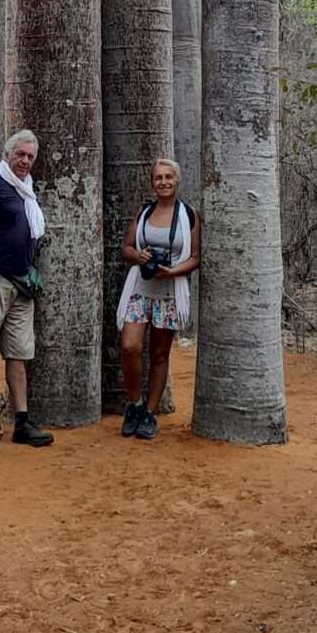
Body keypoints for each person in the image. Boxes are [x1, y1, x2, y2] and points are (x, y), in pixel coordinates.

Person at [116, 158, 201, 440]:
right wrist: (138, 256)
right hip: (140, 288)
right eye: (158, 178)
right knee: (130, 346)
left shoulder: (189, 215)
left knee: (160, 354)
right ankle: (134, 404)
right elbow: (126, 248)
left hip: (169, 292)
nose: (163, 182)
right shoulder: (144, 212)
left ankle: (150, 414)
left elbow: (196, 258)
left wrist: (173, 271)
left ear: (177, 181)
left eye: (168, 177)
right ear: (152, 183)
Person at [0, 130, 53, 447]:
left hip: (22, 283)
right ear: (7, 154)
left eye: (30, 157)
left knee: (18, 354)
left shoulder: (26, 190)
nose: (25, 161)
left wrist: (29, 269)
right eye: (21, 155)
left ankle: (22, 423)